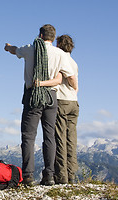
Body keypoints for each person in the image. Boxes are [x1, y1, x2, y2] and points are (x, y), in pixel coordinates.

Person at [4, 24, 77, 186]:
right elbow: (70, 75)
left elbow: (15, 50)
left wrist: (8, 47)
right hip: (51, 96)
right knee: (49, 136)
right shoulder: (60, 54)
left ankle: (28, 176)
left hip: (33, 95)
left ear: (40, 36)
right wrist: (75, 87)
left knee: (28, 136)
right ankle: (49, 176)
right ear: (53, 37)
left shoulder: (30, 49)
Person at [37, 35, 79, 184]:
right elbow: (74, 78)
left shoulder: (61, 58)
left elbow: (68, 77)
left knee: (59, 139)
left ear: (59, 44)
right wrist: (76, 88)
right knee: (71, 139)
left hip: (62, 100)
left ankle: (62, 177)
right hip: (74, 102)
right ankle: (72, 174)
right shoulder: (74, 61)